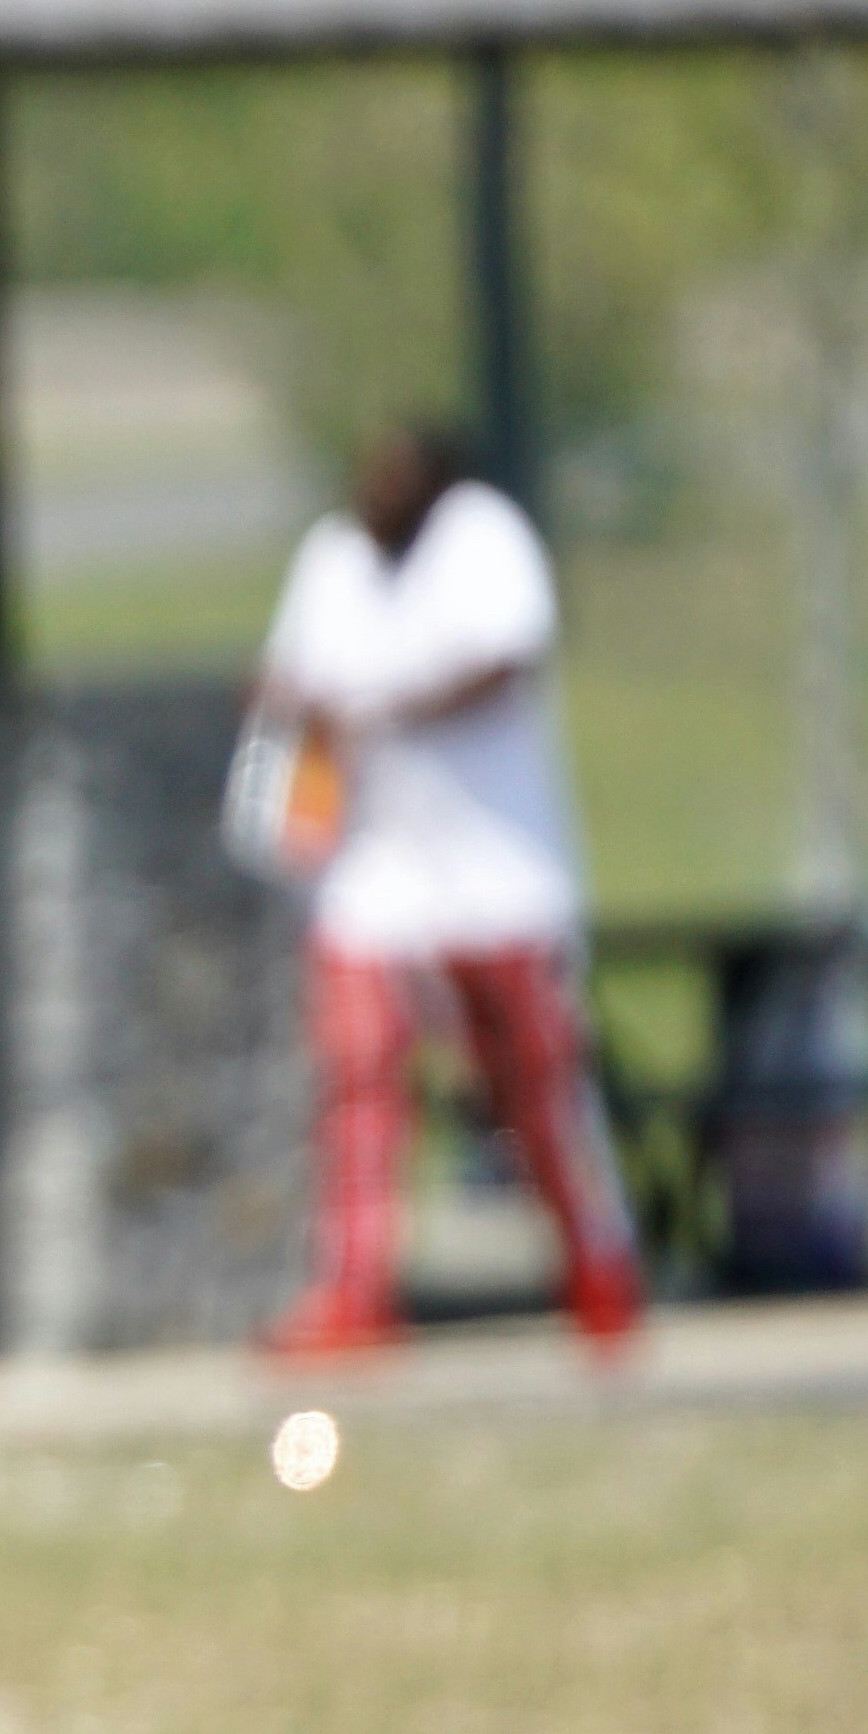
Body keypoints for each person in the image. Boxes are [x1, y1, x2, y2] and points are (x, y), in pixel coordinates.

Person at [250, 420, 644, 1356]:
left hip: (495, 867)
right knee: (358, 1079)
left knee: (535, 1083)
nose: (375, 490)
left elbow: (507, 660)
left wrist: (384, 710)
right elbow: (288, 676)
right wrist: (291, 716)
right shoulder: (334, 559)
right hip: (376, 870)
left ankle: (598, 1270)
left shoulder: (483, 538)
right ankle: (353, 1290)